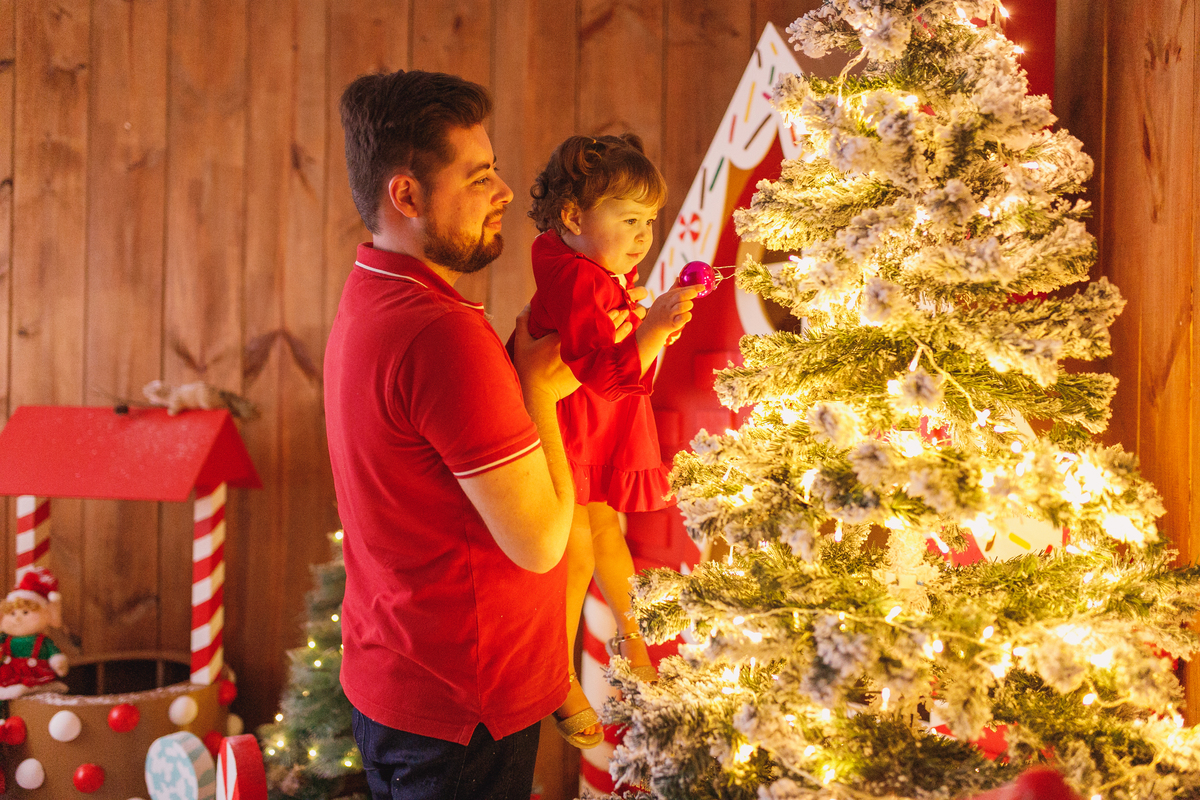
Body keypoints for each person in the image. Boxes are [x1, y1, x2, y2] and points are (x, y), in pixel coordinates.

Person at [324, 70, 642, 799]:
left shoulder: (374, 289)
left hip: (403, 674)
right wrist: (538, 390)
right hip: (463, 706)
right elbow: (540, 543)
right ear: (406, 196)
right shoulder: (441, 334)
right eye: (478, 177)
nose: (503, 191)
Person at [523, 134, 698, 748]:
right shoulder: (581, 277)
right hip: (571, 419)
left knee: (604, 534)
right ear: (573, 217)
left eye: (649, 221)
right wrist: (650, 331)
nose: (644, 237)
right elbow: (602, 372)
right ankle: (559, 673)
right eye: (629, 220)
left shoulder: (584, 264)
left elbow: (613, 350)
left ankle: (634, 644)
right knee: (578, 547)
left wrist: (650, 328)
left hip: (594, 417)